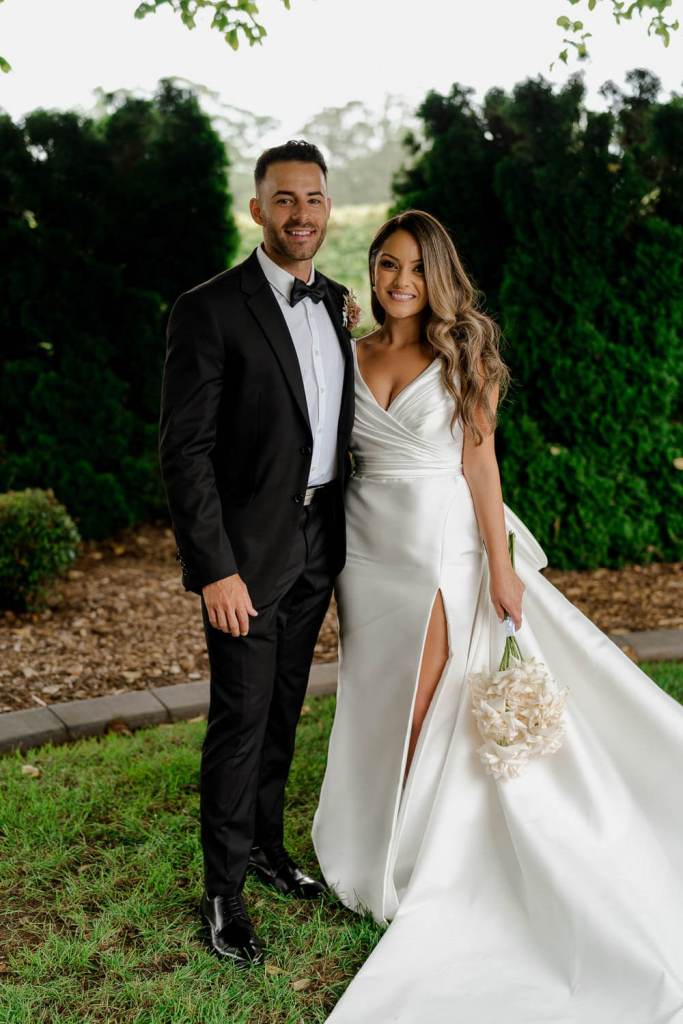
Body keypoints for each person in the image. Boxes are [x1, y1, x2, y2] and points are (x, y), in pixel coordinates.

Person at [312, 209, 683, 1022]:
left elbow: (480, 462)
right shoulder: (347, 355)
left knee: (422, 698)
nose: (399, 281)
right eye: (385, 266)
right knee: (376, 695)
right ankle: (372, 834)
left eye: (413, 267)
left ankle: (408, 857)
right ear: (370, 273)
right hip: (365, 553)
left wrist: (502, 563)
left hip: (440, 550)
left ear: (437, 274)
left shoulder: (459, 354)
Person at [159, 140, 354, 967]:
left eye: (312, 199)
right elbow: (184, 452)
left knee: (282, 710)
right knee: (239, 721)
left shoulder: (339, 302)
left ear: (327, 208)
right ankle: (223, 893)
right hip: (245, 557)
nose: (299, 214)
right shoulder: (208, 309)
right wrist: (216, 568)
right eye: (283, 199)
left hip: (318, 544)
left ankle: (269, 853)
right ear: (256, 209)